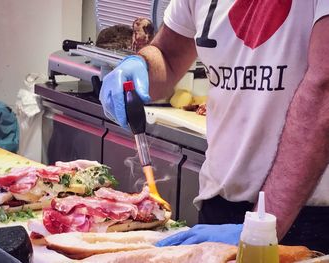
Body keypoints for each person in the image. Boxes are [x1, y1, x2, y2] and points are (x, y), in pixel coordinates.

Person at [100, 0, 329, 253]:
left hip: (308, 215)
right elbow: (169, 54)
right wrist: (141, 64)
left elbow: (324, 91)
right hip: (220, 205)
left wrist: (263, 228)